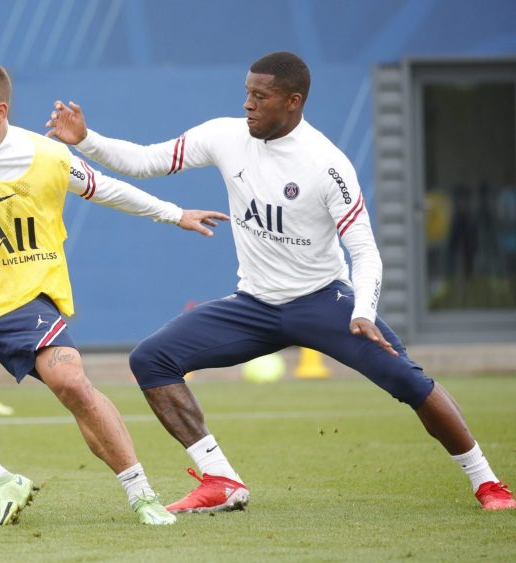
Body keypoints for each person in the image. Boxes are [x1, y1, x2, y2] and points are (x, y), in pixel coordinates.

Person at [44, 51, 516, 513]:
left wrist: (363, 312)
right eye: (246, 93)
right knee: (151, 359)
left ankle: (489, 484)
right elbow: (145, 161)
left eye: (260, 96)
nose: (247, 103)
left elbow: (366, 252)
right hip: (255, 306)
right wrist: (86, 140)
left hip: (322, 302)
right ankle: (221, 479)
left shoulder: (327, 165)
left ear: (293, 101)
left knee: (408, 381)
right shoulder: (225, 135)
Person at [0, 60, 228, 526]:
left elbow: (107, 189)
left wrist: (174, 213)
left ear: (0, 111)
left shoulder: (47, 155)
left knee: (70, 382)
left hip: (26, 302)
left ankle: (142, 495)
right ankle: (1, 480)